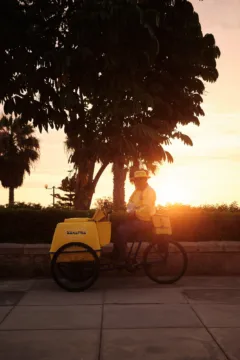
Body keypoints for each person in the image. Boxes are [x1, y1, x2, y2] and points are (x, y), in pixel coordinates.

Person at [114, 170, 156, 261]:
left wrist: (134, 213)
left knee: (121, 230)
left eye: (139, 180)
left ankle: (122, 257)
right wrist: (125, 210)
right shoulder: (136, 191)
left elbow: (147, 209)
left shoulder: (149, 191)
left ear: (144, 180)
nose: (136, 182)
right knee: (114, 226)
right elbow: (130, 204)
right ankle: (118, 253)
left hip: (145, 220)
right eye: (135, 180)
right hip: (136, 218)